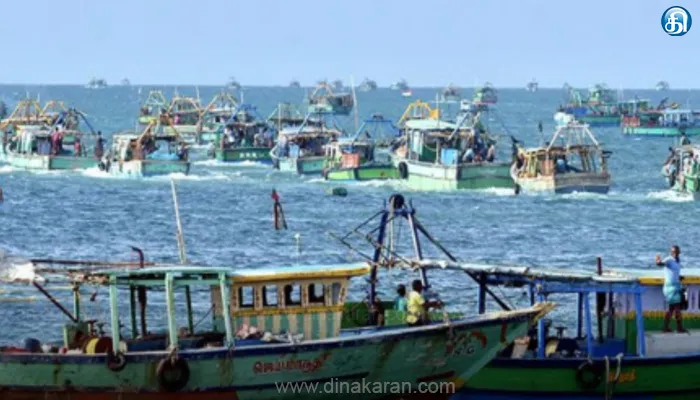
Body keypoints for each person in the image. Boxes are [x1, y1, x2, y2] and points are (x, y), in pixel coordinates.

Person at [655, 245, 687, 333]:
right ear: (671, 252)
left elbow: (673, 273)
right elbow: (661, 264)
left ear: (679, 252)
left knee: (671, 308)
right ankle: (679, 327)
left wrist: (679, 277)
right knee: (677, 308)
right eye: (673, 252)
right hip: (670, 288)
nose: (674, 253)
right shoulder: (669, 259)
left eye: (676, 251)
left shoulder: (677, 261)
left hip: (676, 286)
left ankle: (666, 327)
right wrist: (658, 261)